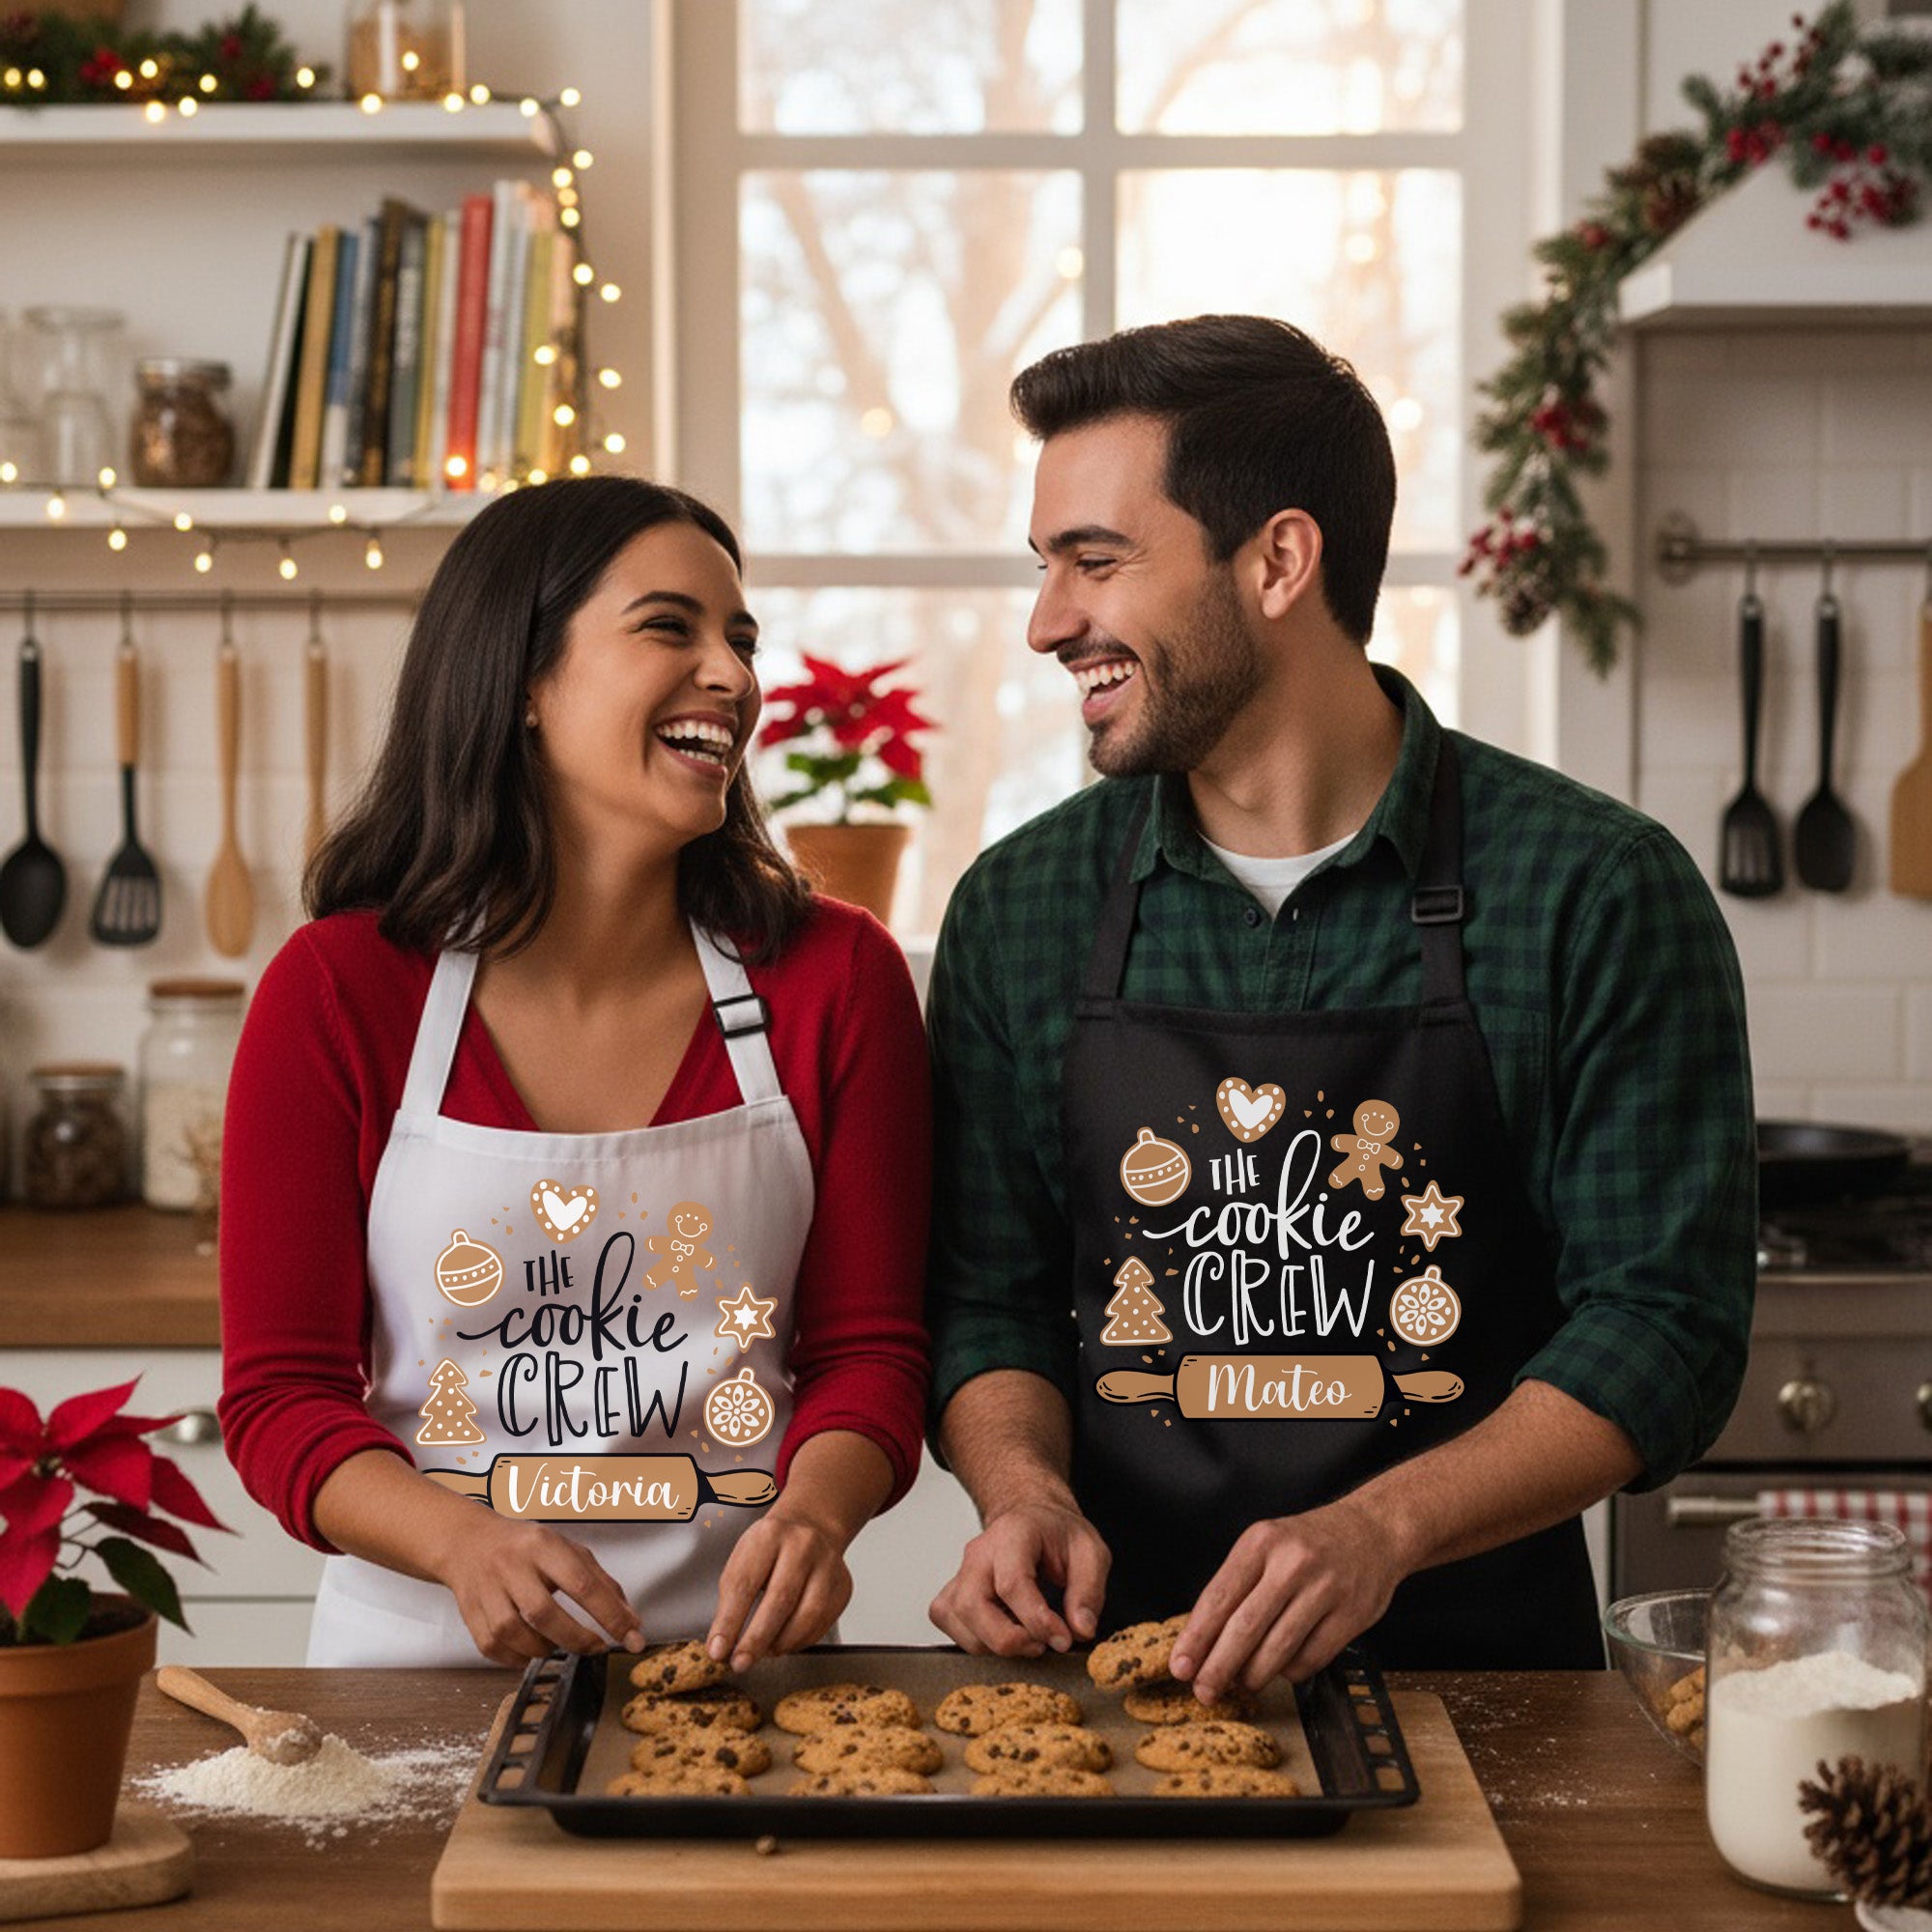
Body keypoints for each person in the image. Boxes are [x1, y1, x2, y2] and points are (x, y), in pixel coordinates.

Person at [924, 316, 1754, 1689]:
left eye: (1096, 561)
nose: (1048, 621)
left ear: (1278, 561)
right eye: (1045, 565)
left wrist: (1382, 1529)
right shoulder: (1024, 908)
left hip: (1487, 1694)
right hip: (1114, 1691)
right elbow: (987, 1299)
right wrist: (1024, 1493)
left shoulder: (1593, 891)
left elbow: (1665, 1324)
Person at [220, 476, 931, 1668]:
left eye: (741, 639)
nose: (732, 674)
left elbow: (870, 1352)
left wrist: (814, 1515)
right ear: (524, 681)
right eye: (669, 627)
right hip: (418, 1675)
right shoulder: (340, 990)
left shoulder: (835, 977)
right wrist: (460, 1543)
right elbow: (280, 1395)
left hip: (742, 1671)